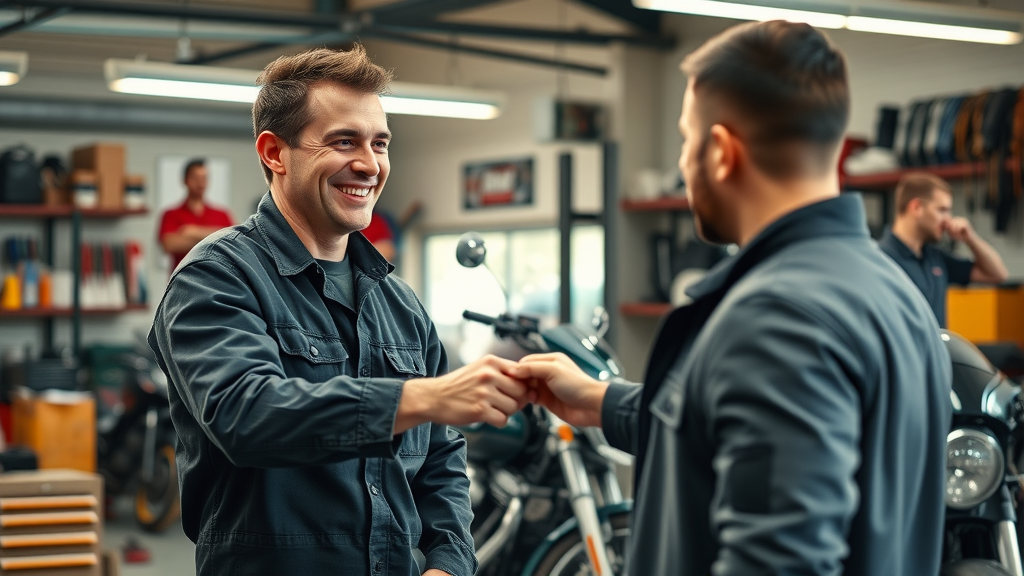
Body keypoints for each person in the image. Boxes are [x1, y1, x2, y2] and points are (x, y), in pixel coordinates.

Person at [508, 20, 951, 576]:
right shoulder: (894, 293)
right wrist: (600, 402)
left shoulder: (778, 318)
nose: (682, 165)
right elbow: (731, 432)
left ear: (720, 152)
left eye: (686, 140)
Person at [148, 45, 532, 576]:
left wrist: (448, 560)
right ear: (274, 153)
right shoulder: (216, 277)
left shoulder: (398, 303)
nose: (370, 165)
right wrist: (417, 397)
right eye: (343, 141)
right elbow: (248, 416)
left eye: (380, 143)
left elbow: (442, 457)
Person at [878, 172, 1008, 328]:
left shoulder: (935, 257)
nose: (948, 219)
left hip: (939, 351)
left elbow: (997, 274)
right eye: (942, 210)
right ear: (917, 207)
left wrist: (970, 238)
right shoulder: (880, 260)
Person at [157, 159, 234, 270]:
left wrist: (193, 232)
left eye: (204, 178)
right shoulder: (170, 214)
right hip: (182, 281)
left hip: (216, 281)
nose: (200, 183)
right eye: (195, 178)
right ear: (185, 180)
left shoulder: (222, 214)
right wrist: (216, 236)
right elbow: (170, 245)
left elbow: (231, 242)